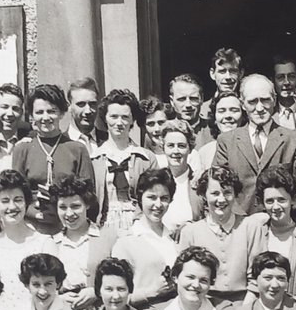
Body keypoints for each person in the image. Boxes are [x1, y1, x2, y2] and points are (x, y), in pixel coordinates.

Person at [212, 72, 296, 217]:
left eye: (265, 100)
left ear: (274, 100)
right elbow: (219, 186)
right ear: (242, 103)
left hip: (279, 226)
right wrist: (240, 219)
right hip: (238, 226)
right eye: (252, 102)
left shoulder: (292, 139)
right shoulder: (226, 141)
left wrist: (277, 214)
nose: (260, 108)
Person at [10, 83, 96, 233]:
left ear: (62, 113)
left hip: (69, 225)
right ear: (31, 116)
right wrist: (36, 214)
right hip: (32, 226)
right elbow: (15, 194)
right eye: (39, 112)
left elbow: (89, 195)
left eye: (51, 111)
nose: (45, 117)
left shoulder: (77, 149)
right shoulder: (22, 149)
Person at [0, 169, 57, 310]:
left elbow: (53, 294)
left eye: (18, 200)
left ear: (27, 203)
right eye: (5, 201)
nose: (12, 207)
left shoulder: (44, 244)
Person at [178, 165, 251, 301]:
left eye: (227, 192)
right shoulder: (190, 233)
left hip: (244, 302)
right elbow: (183, 278)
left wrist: (246, 308)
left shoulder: (250, 227)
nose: (221, 199)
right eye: (215, 193)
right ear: (204, 195)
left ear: (235, 194)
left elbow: (257, 278)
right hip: (203, 302)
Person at [242, 166, 296, 302]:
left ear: (292, 200)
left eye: (281, 200)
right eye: (270, 201)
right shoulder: (256, 231)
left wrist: (295, 302)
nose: (275, 207)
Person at [112, 169, 180, 307]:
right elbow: (116, 297)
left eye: (164, 198)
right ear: (140, 198)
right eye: (152, 197)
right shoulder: (126, 242)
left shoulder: (174, 239)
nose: (158, 204)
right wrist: (151, 292)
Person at [92, 89, 155, 232]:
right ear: (105, 118)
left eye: (125, 117)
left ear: (132, 119)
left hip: (139, 226)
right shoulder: (94, 159)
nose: (119, 123)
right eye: (114, 116)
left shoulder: (146, 158)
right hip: (104, 227)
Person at [51, 175, 113, 310]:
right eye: (62, 207)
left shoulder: (107, 236)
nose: (69, 213)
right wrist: (58, 299)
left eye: (76, 206)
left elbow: (121, 279)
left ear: (87, 205)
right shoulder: (52, 243)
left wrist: (96, 291)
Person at [158, 119, 204, 235]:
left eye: (181, 146)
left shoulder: (200, 182)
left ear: (190, 149)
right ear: (163, 148)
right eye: (170, 146)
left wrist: (191, 227)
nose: (176, 151)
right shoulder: (154, 181)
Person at [195, 89, 246, 172]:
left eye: (234, 110)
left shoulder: (251, 147)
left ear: (243, 116)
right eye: (221, 111)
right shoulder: (204, 152)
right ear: (215, 117)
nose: (228, 116)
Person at [168, 73, 213, 148]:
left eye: (193, 99)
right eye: (181, 99)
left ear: (201, 99)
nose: (188, 105)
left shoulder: (213, 130)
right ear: (172, 101)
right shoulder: (161, 132)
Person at [199, 47, 243, 120]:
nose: (228, 77)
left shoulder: (247, 108)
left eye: (233, 71)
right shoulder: (202, 111)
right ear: (212, 73)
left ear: (241, 74)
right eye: (222, 71)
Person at [66, 77, 103, 156]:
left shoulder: (109, 140)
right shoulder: (60, 144)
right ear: (69, 106)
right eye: (81, 104)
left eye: (92, 104)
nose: (88, 111)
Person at [0, 82, 30, 152]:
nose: (10, 114)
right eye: (4, 107)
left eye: (15, 109)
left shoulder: (29, 141)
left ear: (21, 112)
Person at [272, 57, 296, 132]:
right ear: (273, 81)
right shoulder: (269, 113)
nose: (286, 82)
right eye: (280, 77)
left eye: (291, 76)